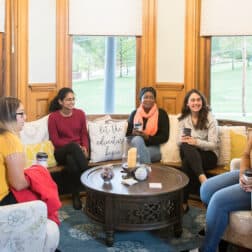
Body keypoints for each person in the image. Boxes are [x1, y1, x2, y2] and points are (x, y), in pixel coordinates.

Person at [0, 96, 60, 251]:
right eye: (21, 114)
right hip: (3, 202)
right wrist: (38, 174)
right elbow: (18, 184)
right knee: (42, 193)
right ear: (8, 116)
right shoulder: (10, 140)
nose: (25, 118)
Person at [199, 136, 252, 252]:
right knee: (206, 189)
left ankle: (207, 249)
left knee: (217, 201)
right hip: (249, 173)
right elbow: (246, 154)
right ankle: (218, 237)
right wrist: (243, 174)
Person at [177, 89, 219, 213]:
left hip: (208, 155)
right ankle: (203, 180)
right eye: (192, 100)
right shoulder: (183, 119)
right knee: (185, 144)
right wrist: (184, 140)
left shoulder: (210, 118)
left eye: (198, 100)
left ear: (202, 102)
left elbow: (213, 145)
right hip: (190, 152)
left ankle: (184, 203)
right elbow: (177, 142)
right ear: (187, 104)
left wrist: (196, 142)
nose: (196, 103)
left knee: (186, 162)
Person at [48, 87, 89, 210]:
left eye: (73, 99)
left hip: (76, 153)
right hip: (60, 151)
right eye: (68, 100)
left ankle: (75, 195)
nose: (71, 102)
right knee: (72, 147)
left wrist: (85, 148)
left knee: (71, 160)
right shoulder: (53, 117)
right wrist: (76, 146)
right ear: (60, 102)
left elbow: (84, 134)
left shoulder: (80, 114)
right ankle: (90, 178)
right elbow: (55, 141)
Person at [126, 86, 169, 164]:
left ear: (154, 100)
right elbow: (127, 135)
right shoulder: (134, 114)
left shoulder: (162, 114)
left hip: (155, 148)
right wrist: (133, 133)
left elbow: (164, 137)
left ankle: (142, 173)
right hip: (136, 146)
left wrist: (147, 137)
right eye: (145, 97)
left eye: (151, 97)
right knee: (137, 139)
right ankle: (146, 173)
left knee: (138, 155)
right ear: (141, 99)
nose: (148, 100)